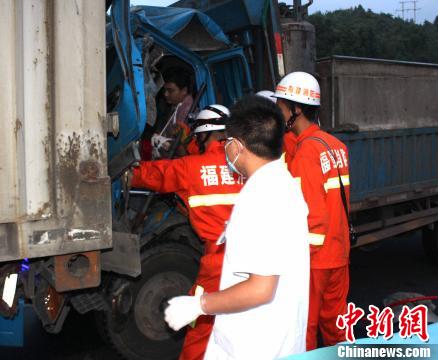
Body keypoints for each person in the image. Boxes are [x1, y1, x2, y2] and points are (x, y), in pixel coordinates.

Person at [164, 96, 310, 359]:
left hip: (254, 345)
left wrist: (199, 305)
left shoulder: (258, 197)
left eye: (227, 141)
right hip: (281, 337)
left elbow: (260, 289)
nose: (225, 148)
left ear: (238, 147)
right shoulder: (285, 182)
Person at [131, 104, 244, 360]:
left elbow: (156, 175)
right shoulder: (247, 163)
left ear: (203, 135)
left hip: (218, 262)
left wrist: (127, 172)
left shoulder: (191, 168)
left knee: (200, 325)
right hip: (252, 259)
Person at [273, 71, 351, 350]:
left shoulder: (305, 153)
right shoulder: (336, 146)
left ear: (295, 109)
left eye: (281, 106)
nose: (278, 113)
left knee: (304, 326)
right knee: (336, 325)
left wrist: (298, 261)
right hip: (339, 252)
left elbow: (312, 216)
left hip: (314, 260)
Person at [152, 68, 196, 158]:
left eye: (170, 90)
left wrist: (166, 144)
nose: (166, 94)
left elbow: (184, 151)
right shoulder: (176, 106)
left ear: (184, 90)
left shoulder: (189, 112)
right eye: (165, 90)